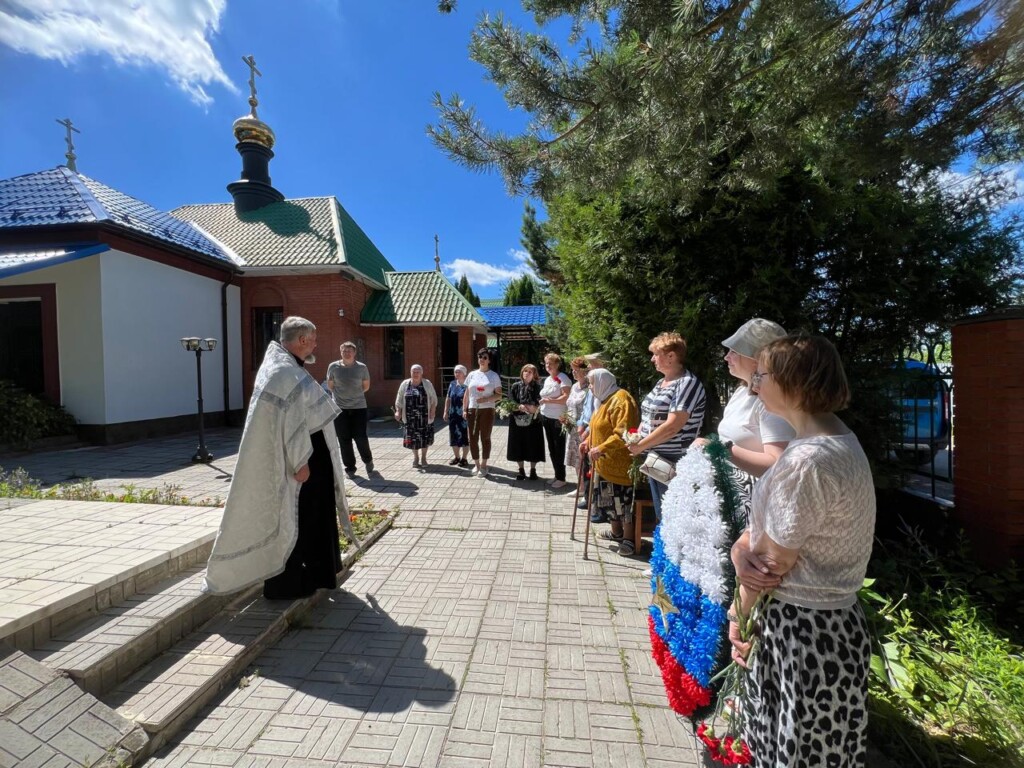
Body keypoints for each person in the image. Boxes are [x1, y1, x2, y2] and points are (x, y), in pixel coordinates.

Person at [729, 335, 875, 767]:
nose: (754, 385)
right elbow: (764, 533)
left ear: (794, 381)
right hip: (833, 628)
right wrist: (741, 551)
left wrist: (739, 613)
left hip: (800, 636)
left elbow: (772, 564)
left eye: (762, 375)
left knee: (793, 750)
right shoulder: (839, 441)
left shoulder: (805, 460)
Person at [202, 316, 353, 600]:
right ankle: (289, 582)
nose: (317, 344)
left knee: (314, 516)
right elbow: (292, 423)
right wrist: (300, 462)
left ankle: (319, 573)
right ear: (302, 341)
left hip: (311, 461)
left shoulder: (285, 365)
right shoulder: (283, 371)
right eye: (314, 339)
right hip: (299, 465)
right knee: (297, 517)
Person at [692, 319, 794, 518]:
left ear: (757, 359)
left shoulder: (772, 403)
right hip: (732, 503)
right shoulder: (742, 392)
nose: (726, 357)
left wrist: (720, 448)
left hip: (754, 510)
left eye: (735, 352)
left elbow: (778, 466)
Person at [626, 332, 706, 520]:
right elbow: (651, 418)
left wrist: (641, 445)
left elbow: (673, 426)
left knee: (673, 517)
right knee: (664, 514)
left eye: (656, 354)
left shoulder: (686, 383)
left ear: (671, 356)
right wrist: (637, 437)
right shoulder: (662, 382)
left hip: (674, 460)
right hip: (657, 458)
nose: (652, 359)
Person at [583, 369, 640, 555]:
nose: (590, 388)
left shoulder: (621, 400)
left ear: (602, 381)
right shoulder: (605, 399)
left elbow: (623, 432)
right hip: (603, 462)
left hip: (619, 462)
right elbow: (597, 426)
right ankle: (616, 533)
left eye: (592, 383)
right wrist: (588, 441)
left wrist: (601, 448)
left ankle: (628, 539)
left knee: (623, 503)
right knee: (609, 501)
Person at [326, 341, 374, 478]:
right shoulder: (333, 367)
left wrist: (353, 396)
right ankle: (350, 468)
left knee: (360, 437)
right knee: (344, 439)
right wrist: (341, 398)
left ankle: (368, 460)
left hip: (359, 407)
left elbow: (366, 386)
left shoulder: (362, 368)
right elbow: (330, 385)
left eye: (349, 351)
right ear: (341, 352)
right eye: (344, 351)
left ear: (354, 353)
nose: (347, 353)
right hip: (340, 409)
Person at [464, 348, 503, 477]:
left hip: (487, 409)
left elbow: (499, 396)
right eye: (480, 356)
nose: (481, 359)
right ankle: (476, 464)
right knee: (472, 438)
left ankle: (484, 465)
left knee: (485, 437)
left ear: (489, 360)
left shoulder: (493, 375)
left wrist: (486, 399)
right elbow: (467, 393)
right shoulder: (472, 374)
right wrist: (465, 409)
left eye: (485, 357)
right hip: (472, 409)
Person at [539, 352, 573, 488]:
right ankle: (557, 474)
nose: (548, 366)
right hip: (546, 417)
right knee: (552, 448)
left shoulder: (563, 378)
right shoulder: (548, 379)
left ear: (557, 364)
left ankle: (561, 477)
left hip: (558, 418)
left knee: (558, 448)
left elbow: (566, 397)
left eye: (551, 364)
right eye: (546, 364)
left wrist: (548, 400)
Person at [394, 364, 437, 468]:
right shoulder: (405, 384)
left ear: (422, 373)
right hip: (410, 418)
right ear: (410, 373)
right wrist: (398, 411)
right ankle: (416, 458)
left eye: (418, 372)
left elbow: (433, 398)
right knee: (413, 439)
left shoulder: (427, 383)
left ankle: (423, 458)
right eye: (413, 372)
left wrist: (432, 410)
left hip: (424, 417)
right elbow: (399, 399)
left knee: (424, 438)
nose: (416, 374)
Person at [506, 363, 545, 480]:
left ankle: (533, 470)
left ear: (534, 374)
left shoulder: (538, 387)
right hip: (517, 420)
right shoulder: (515, 386)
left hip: (533, 421)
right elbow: (510, 402)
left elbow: (540, 401)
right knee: (518, 444)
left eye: (530, 372)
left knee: (533, 444)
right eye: (525, 371)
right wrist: (518, 406)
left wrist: (535, 407)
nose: (526, 373)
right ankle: (521, 470)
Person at [563, 356, 590, 480]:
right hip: (571, 428)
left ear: (585, 371)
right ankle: (580, 485)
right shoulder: (574, 386)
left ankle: (584, 486)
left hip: (583, 429)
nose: (573, 372)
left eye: (576, 370)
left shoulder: (590, 388)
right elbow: (570, 405)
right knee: (575, 458)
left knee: (583, 458)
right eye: (572, 370)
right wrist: (566, 418)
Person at [443, 364, 470, 467]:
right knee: (453, 435)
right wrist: (446, 411)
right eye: (455, 372)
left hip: (464, 415)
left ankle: (464, 458)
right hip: (453, 414)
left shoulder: (468, 384)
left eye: (459, 372)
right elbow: (448, 398)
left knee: (464, 436)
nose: (457, 374)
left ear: (464, 373)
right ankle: (457, 457)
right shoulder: (452, 384)